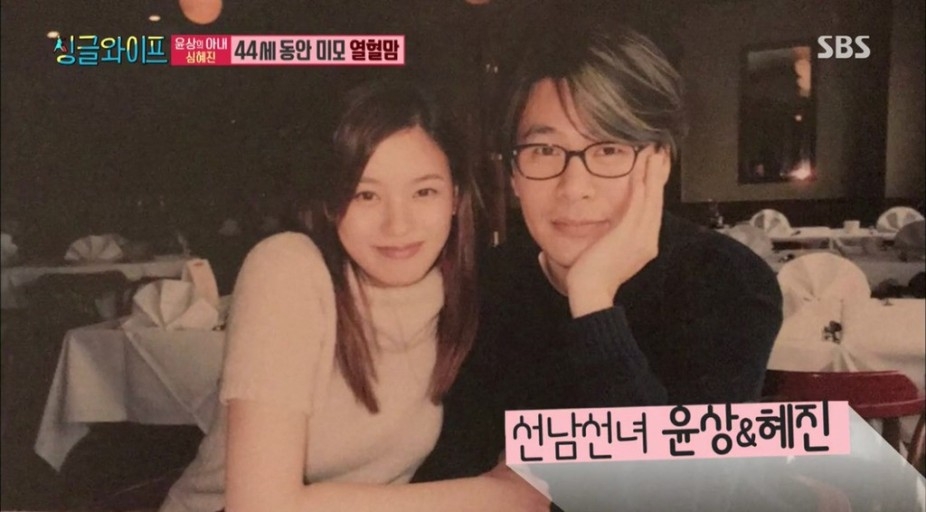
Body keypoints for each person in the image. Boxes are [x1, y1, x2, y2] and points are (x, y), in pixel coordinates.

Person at [414, 19, 787, 510]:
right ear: (514, 174)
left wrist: (592, 302)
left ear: (659, 163)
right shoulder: (487, 284)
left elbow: (680, 497)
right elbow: (453, 468)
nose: (574, 188)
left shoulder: (725, 281)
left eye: (609, 149)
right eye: (544, 150)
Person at [160, 80, 549, 512]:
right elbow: (260, 505)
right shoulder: (288, 268)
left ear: (455, 197)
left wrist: (592, 289)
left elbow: (570, 466)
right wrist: (498, 495)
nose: (398, 225)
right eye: (366, 195)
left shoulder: (468, 293)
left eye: (424, 191)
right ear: (331, 203)